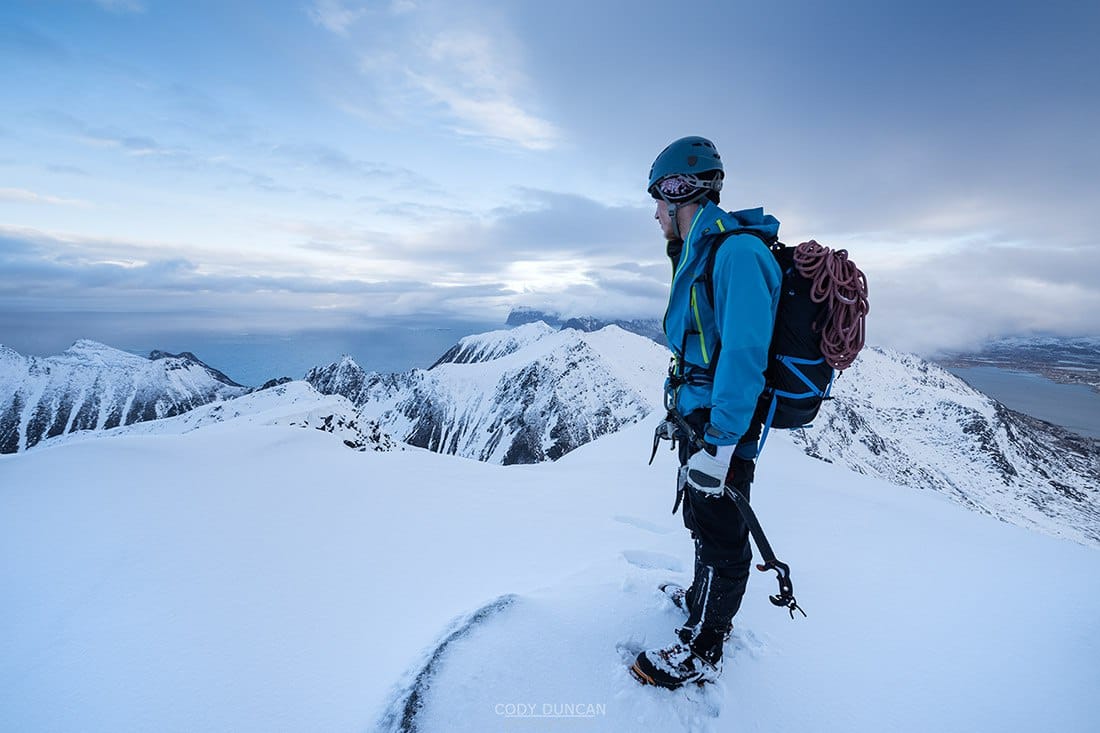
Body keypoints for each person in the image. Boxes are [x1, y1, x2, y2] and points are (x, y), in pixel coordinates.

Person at [631, 136, 783, 689]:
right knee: (701, 517)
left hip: (723, 428)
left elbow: (745, 354)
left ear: (682, 193)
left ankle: (704, 646)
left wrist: (721, 443)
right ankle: (700, 601)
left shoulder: (736, 254)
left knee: (722, 534)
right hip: (701, 420)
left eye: (658, 202)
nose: (654, 214)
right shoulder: (701, 249)